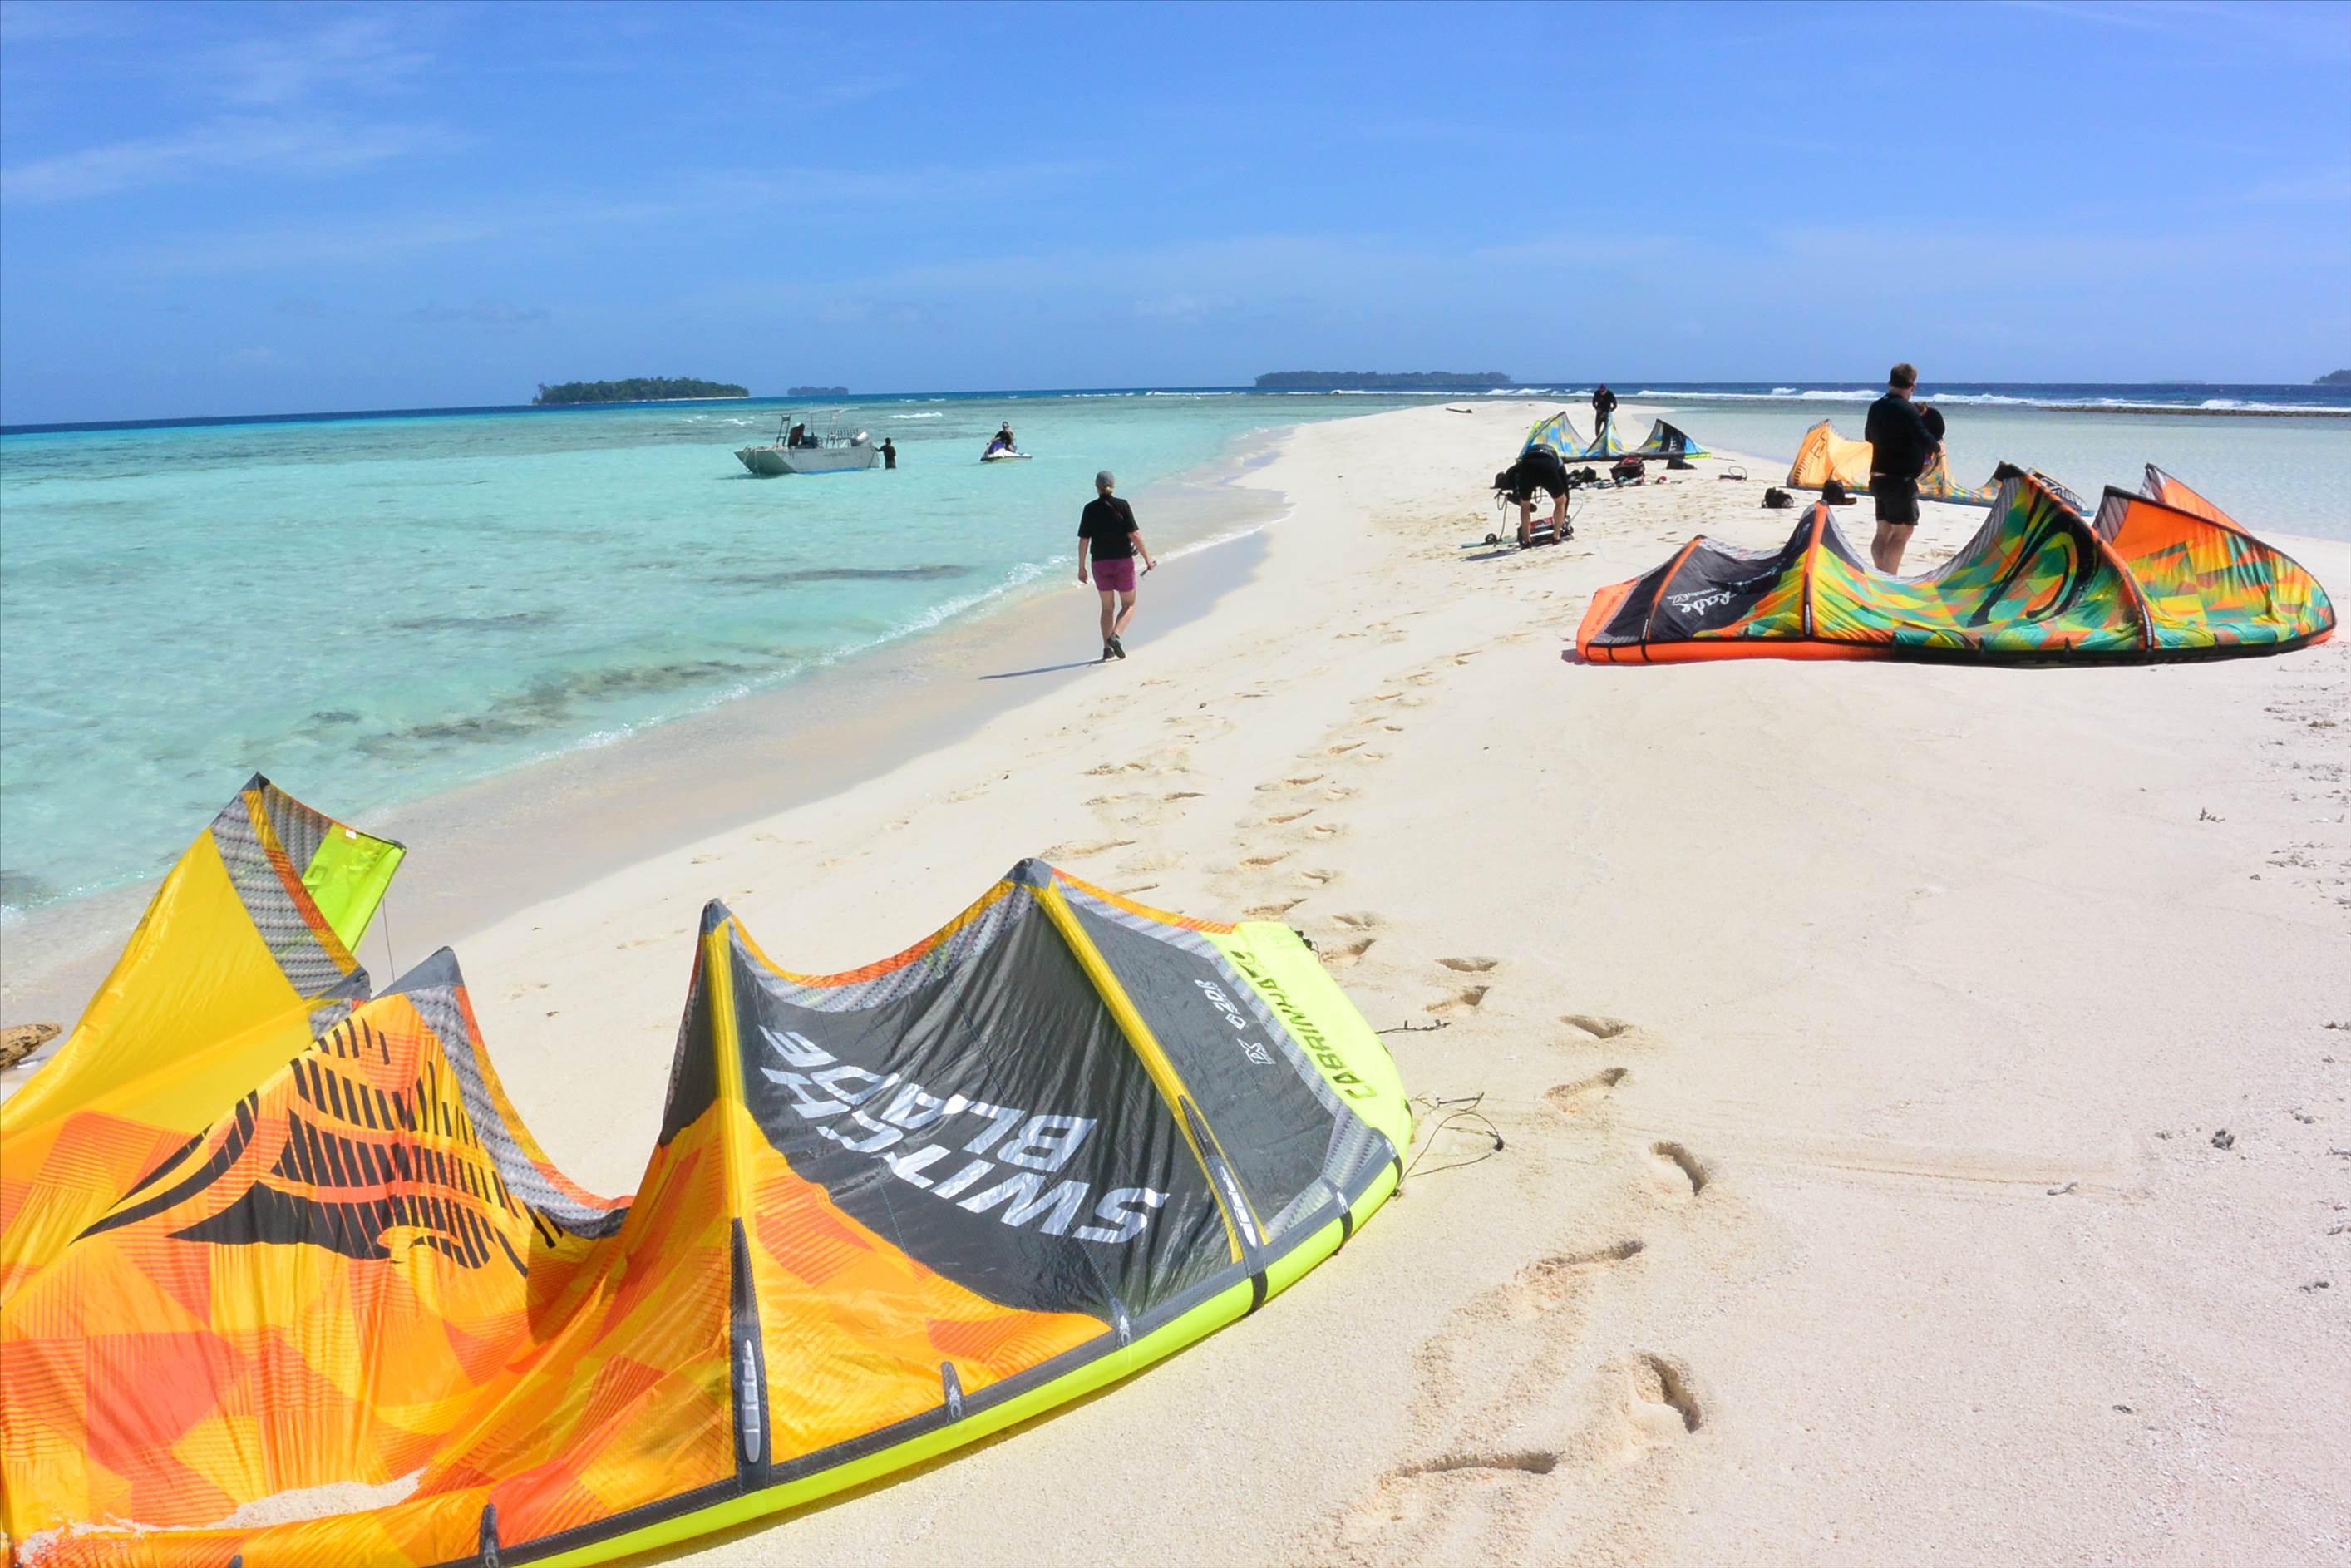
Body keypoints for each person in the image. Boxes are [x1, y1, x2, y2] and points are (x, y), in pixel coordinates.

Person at [1863, 362, 1940, 573]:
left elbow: (1868, 436)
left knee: (1883, 531)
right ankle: (1891, 579)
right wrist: (1937, 446)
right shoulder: (1908, 410)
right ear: (1913, 386)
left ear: (1890, 383)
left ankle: (1880, 575)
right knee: (1902, 531)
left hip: (1877, 477)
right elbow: (1926, 439)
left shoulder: (1876, 407)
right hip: (1900, 481)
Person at [1078, 470, 1154, 660]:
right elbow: (1134, 535)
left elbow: (1084, 541)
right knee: (1129, 604)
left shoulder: (1089, 509)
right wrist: (1147, 559)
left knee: (1107, 608)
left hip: (1099, 564)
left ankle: (1106, 649)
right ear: (1114, 485)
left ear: (1096, 487)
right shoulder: (1122, 505)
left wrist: (1081, 567)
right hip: (1122, 562)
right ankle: (1116, 636)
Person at [1499, 446, 1572, 547]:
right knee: (1560, 501)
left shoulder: (1524, 459)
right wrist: (1564, 514)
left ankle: (1526, 540)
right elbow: (1565, 490)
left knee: (1525, 506)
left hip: (1527, 468)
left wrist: (1516, 494)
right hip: (1547, 467)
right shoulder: (1558, 461)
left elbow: (1511, 473)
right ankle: (1556, 537)